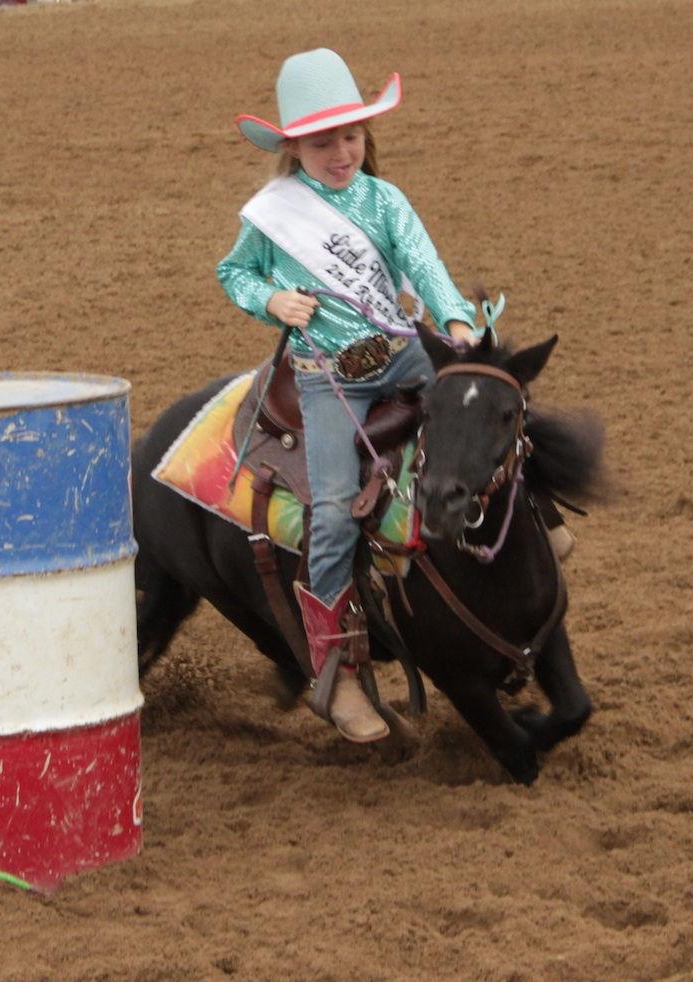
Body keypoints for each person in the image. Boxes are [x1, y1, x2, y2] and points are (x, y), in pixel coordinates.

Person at [217, 48, 482, 744]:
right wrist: (271, 297)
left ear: (367, 135)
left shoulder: (385, 200)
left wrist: (452, 317)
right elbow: (233, 273)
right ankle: (335, 679)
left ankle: (537, 517)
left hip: (403, 354)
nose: (340, 151)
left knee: (486, 400)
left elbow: (422, 262)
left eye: (351, 136)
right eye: (322, 140)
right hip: (328, 378)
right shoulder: (273, 217)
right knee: (332, 514)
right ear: (294, 148)